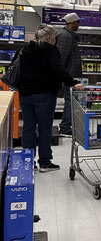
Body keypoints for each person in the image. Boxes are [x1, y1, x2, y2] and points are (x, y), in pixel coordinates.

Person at [16, 25, 84, 172]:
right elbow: (59, 71)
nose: (55, 41)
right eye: (54, 38)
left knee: (28, 128)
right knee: (45, 128)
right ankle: (45, 163)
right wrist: (73, 83)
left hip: (25, 94)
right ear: (48, 38)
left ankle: (28, 162)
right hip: (44, 95)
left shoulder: (25, 49)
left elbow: (15, 68)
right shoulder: (50, 50)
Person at [56, 12, 83, 136]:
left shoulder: (68, 35)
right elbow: (62, 58)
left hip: (71, 74)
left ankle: (67, 125)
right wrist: (64, 78)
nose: (79, 25)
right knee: (69, 101)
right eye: (78, 22)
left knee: (71, 101)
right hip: (70, 75)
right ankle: (65, 127)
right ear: (73, 23)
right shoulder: (65, 36)